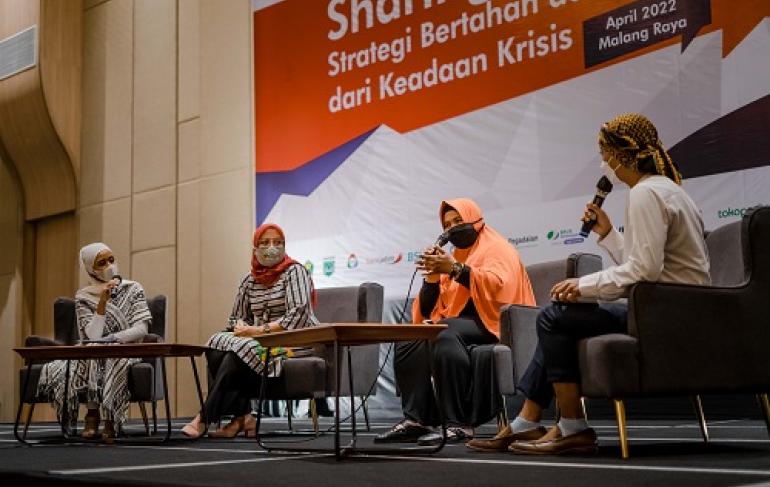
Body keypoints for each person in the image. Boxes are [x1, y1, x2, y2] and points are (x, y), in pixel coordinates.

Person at [467, 113, 711, 455]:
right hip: (679, 306)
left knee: (553, 317)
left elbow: (643, 271)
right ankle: (529, 420)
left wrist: (583, 286)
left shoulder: (645, 193)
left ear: (622, 154)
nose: (603, 163)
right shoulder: (668, 190)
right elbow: (649, 264)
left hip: (663, 312)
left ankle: (571, 426)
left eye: (605, 153)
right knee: (560, 318)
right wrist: (608, 233)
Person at [375, 198, 536, 445]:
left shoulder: (498, 248)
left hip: (499, 322)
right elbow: (429, 309)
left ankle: (459, 423)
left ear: (475, 219)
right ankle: (417, 419)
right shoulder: (455, 256)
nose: (452, 228)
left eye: (458, 221)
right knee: (411, 337)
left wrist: (455, 269)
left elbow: (500, 290)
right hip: (462, 325)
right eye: (447, 225)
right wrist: (431, 278)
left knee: (445, 331)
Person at [182, 223, 319, 438]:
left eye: (278, 242)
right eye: (265, 242)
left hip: (294, 342)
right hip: (260, 342)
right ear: (255, 248)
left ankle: (205, 418)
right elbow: (236, 317)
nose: (272, 247)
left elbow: (298, 316)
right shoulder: (249, 280)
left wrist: (257, 330)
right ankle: (243, 418)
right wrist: (240, 326)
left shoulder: (295, 271)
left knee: (235, 356)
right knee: (216, 346)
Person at [37, 243, 152, 440]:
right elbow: (92, 335)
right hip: (95, 349)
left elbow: (141, 329)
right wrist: (102, 302)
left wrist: (113, 339)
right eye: (102, 263)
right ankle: (93, 414)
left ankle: (107, 417)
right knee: (95, 348)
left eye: (111, 260)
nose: (109, 266)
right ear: (91, 269)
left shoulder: (133, 289)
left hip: (127, 350)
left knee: (105, 352)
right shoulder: (83, 296)